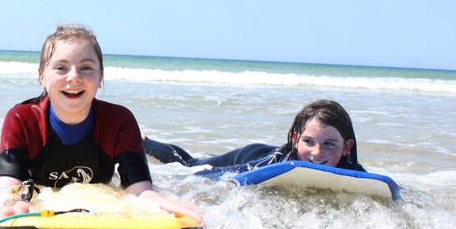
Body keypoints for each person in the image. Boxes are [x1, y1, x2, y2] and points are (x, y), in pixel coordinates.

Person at [0, 24, 203, 221]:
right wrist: (14, 203)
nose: (74, 77)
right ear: (42, 76)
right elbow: (8, 188)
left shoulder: (120, 121)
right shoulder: (21, 119)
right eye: (61, 67)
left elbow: (138, 190)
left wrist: (153, 199)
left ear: (100, 77)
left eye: (86, 67)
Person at [142, 100, 365, 179]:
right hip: (252, 156)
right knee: (189, 163)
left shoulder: (355, 170)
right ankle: (143, 140)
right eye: (308, 142)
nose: (317, 153)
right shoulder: (274, 164)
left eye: (329, 144)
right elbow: (213, 177)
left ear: (347, 147)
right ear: (295, 139)